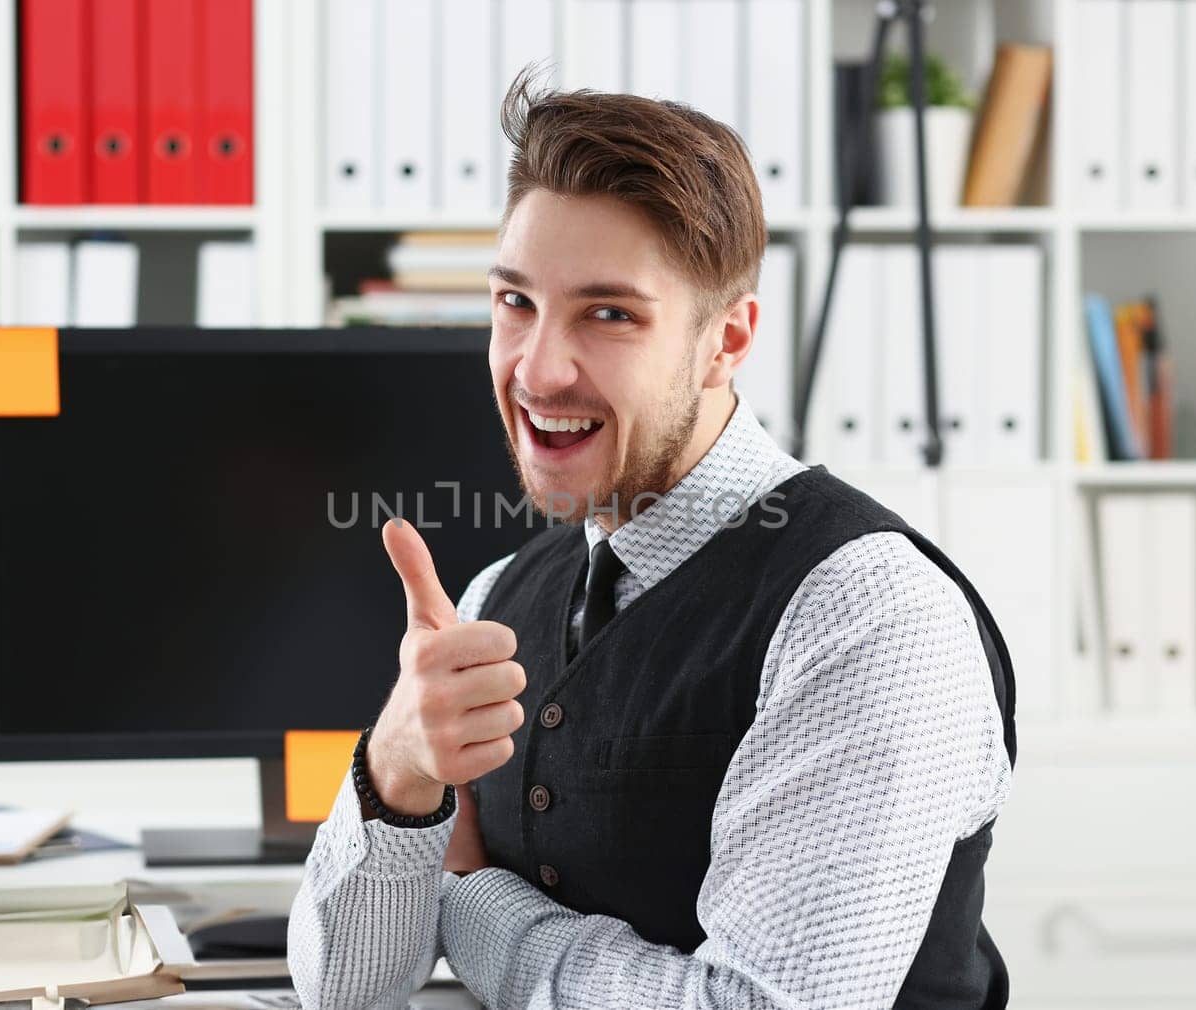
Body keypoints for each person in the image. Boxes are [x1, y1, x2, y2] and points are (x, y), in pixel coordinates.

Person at [288, 69, 1016, 1010]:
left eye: (610, 314)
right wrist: (396, 769)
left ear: (727, 340)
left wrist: (472, 909)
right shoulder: (496, 595)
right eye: (516, 303)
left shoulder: (868, 615)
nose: (537, 369)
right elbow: (343, 994)